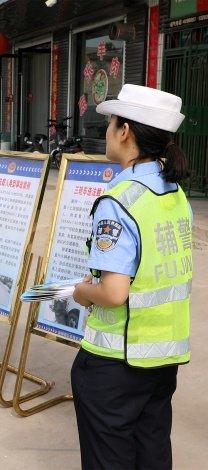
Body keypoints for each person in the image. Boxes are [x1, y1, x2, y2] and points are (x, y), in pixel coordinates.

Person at [72, 84, 192, 470]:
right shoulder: (174, 191)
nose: (107, 131)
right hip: (163, 358)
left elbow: (113, 291)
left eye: (110, 123)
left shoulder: (119, 200)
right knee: (151, 450)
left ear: (125, 131)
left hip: (116, 362)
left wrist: (82, 291)